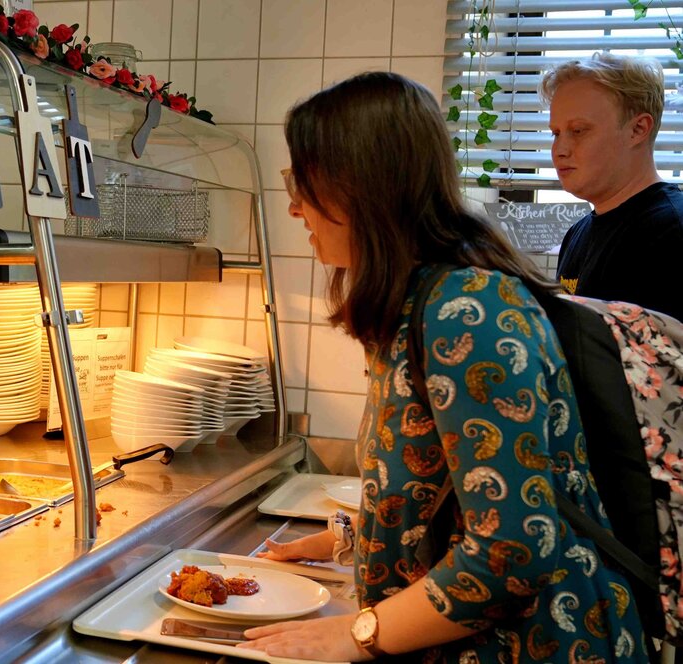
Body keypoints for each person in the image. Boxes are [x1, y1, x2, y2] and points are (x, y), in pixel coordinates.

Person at [239, 72, 647, 662]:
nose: (294, 204)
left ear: (361, 185)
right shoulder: (415, 303)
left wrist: (357, 634)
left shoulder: (466, 310)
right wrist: (349, 538)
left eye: (304, 182)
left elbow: (511, 551)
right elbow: (445, 483)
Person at [543, 52, 683, 322]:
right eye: (556, 133)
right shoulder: (577, 233)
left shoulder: (672, 232)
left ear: (637, 129)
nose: (559, 149)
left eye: (579, 130)